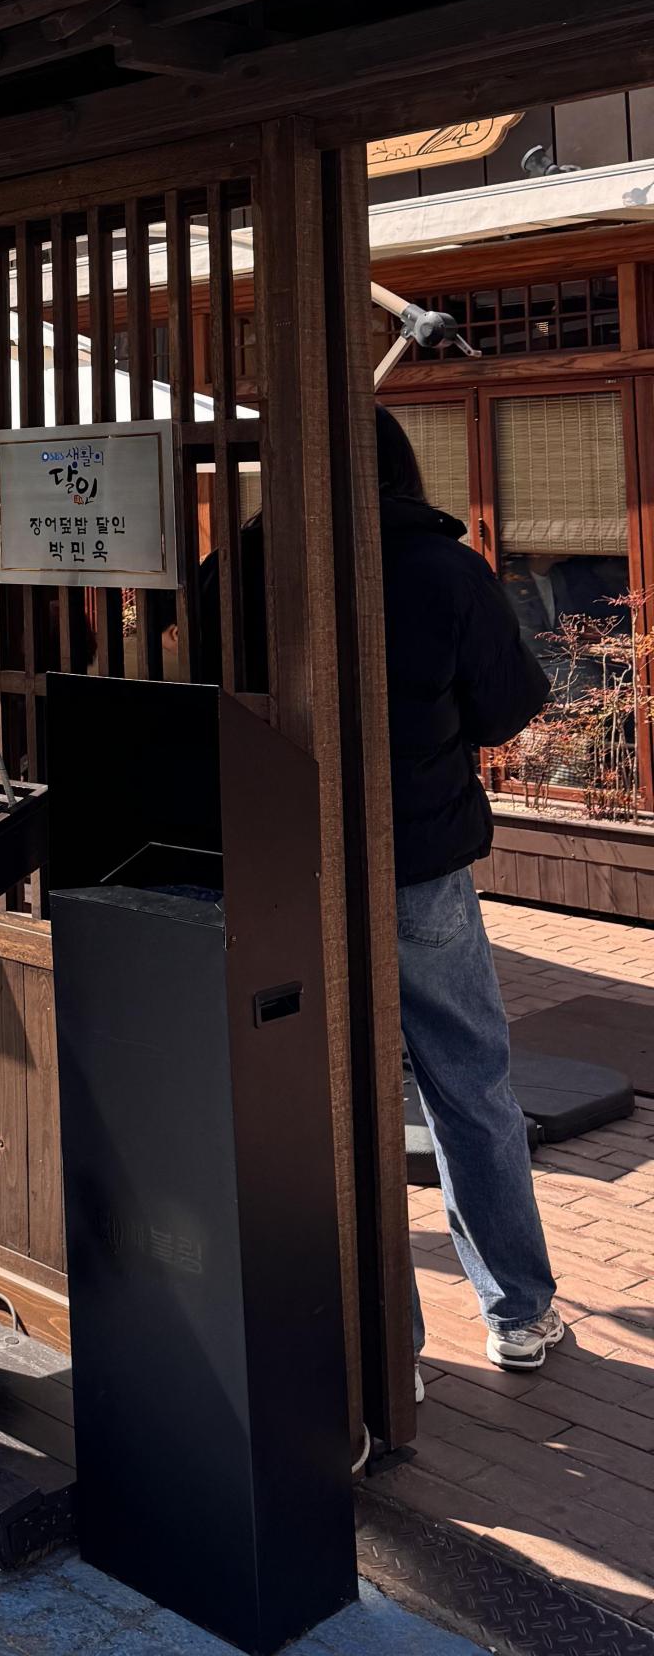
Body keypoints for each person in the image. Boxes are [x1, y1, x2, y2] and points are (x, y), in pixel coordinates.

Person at [373, 405, 562, 1375]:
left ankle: (380, 1349)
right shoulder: (444, 569)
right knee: (467, 1083)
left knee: (323, 1095)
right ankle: (517, 1312)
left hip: (285, 869)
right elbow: (507, 705)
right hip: (421, 863)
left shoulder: (239, 567)